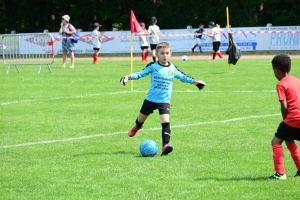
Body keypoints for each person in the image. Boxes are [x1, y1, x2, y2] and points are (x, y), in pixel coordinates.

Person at [119, 42, 206, 155]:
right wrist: (127, 77)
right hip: (150, 100)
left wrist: (196, 82)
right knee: (141, 119)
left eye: (167, 53)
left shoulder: (173, 68)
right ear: (157, 54)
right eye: (162, 53)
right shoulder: (153, 66)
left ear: (170, 54)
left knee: (165, 121)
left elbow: (184, 77)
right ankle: (137, 126)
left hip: (164, 101)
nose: (165, 55)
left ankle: (165, 146)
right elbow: (140, 74)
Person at [268, 54, 300, 180]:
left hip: (293, 117)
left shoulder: (281, 84)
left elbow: (284, 106)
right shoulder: (297, 80)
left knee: (276, 141)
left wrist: (285, 120)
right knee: (289, 139)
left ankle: (280, 173)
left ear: (277, 71)